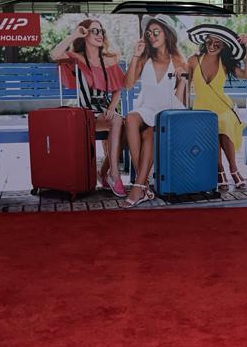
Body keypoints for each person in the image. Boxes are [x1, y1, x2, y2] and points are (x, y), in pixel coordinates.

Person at [49, 18, 127, 197]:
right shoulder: (77, 59)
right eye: (94, 31)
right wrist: (74, 34)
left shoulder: (109, 59)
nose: (100, 35)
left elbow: (118, 89)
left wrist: (112, 108)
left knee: (123, 123)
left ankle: (109, 173)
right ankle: (111, 175)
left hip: (105, 111)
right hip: (85, 113)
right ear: (85, 34)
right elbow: (54, 54)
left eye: (101, 31)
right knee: (119, 122)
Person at [122, 15, 189, 207]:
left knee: (150, 133)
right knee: (131, 118)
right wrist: (135, 55)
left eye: (156, 31)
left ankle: (139, 186)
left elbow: (181, 100)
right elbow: (127, 85)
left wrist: (183, 81)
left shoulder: (178, 60)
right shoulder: (144, 58)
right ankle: (142, 184)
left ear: (166, 34)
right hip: (147, 107)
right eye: (149, 33)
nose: (152, 35)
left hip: (167, 111)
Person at [186, 25, 247, 190]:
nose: (212, 46)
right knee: (212, 124)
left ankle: (233, 168)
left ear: (224, 47)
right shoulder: (193, 60)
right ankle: (220, 170)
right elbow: (185, 87)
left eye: (217, 44)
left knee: (222, 121)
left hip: (222, 107)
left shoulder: (225, 63)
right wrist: (186, 110)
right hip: (201, 109)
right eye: (209, 41)